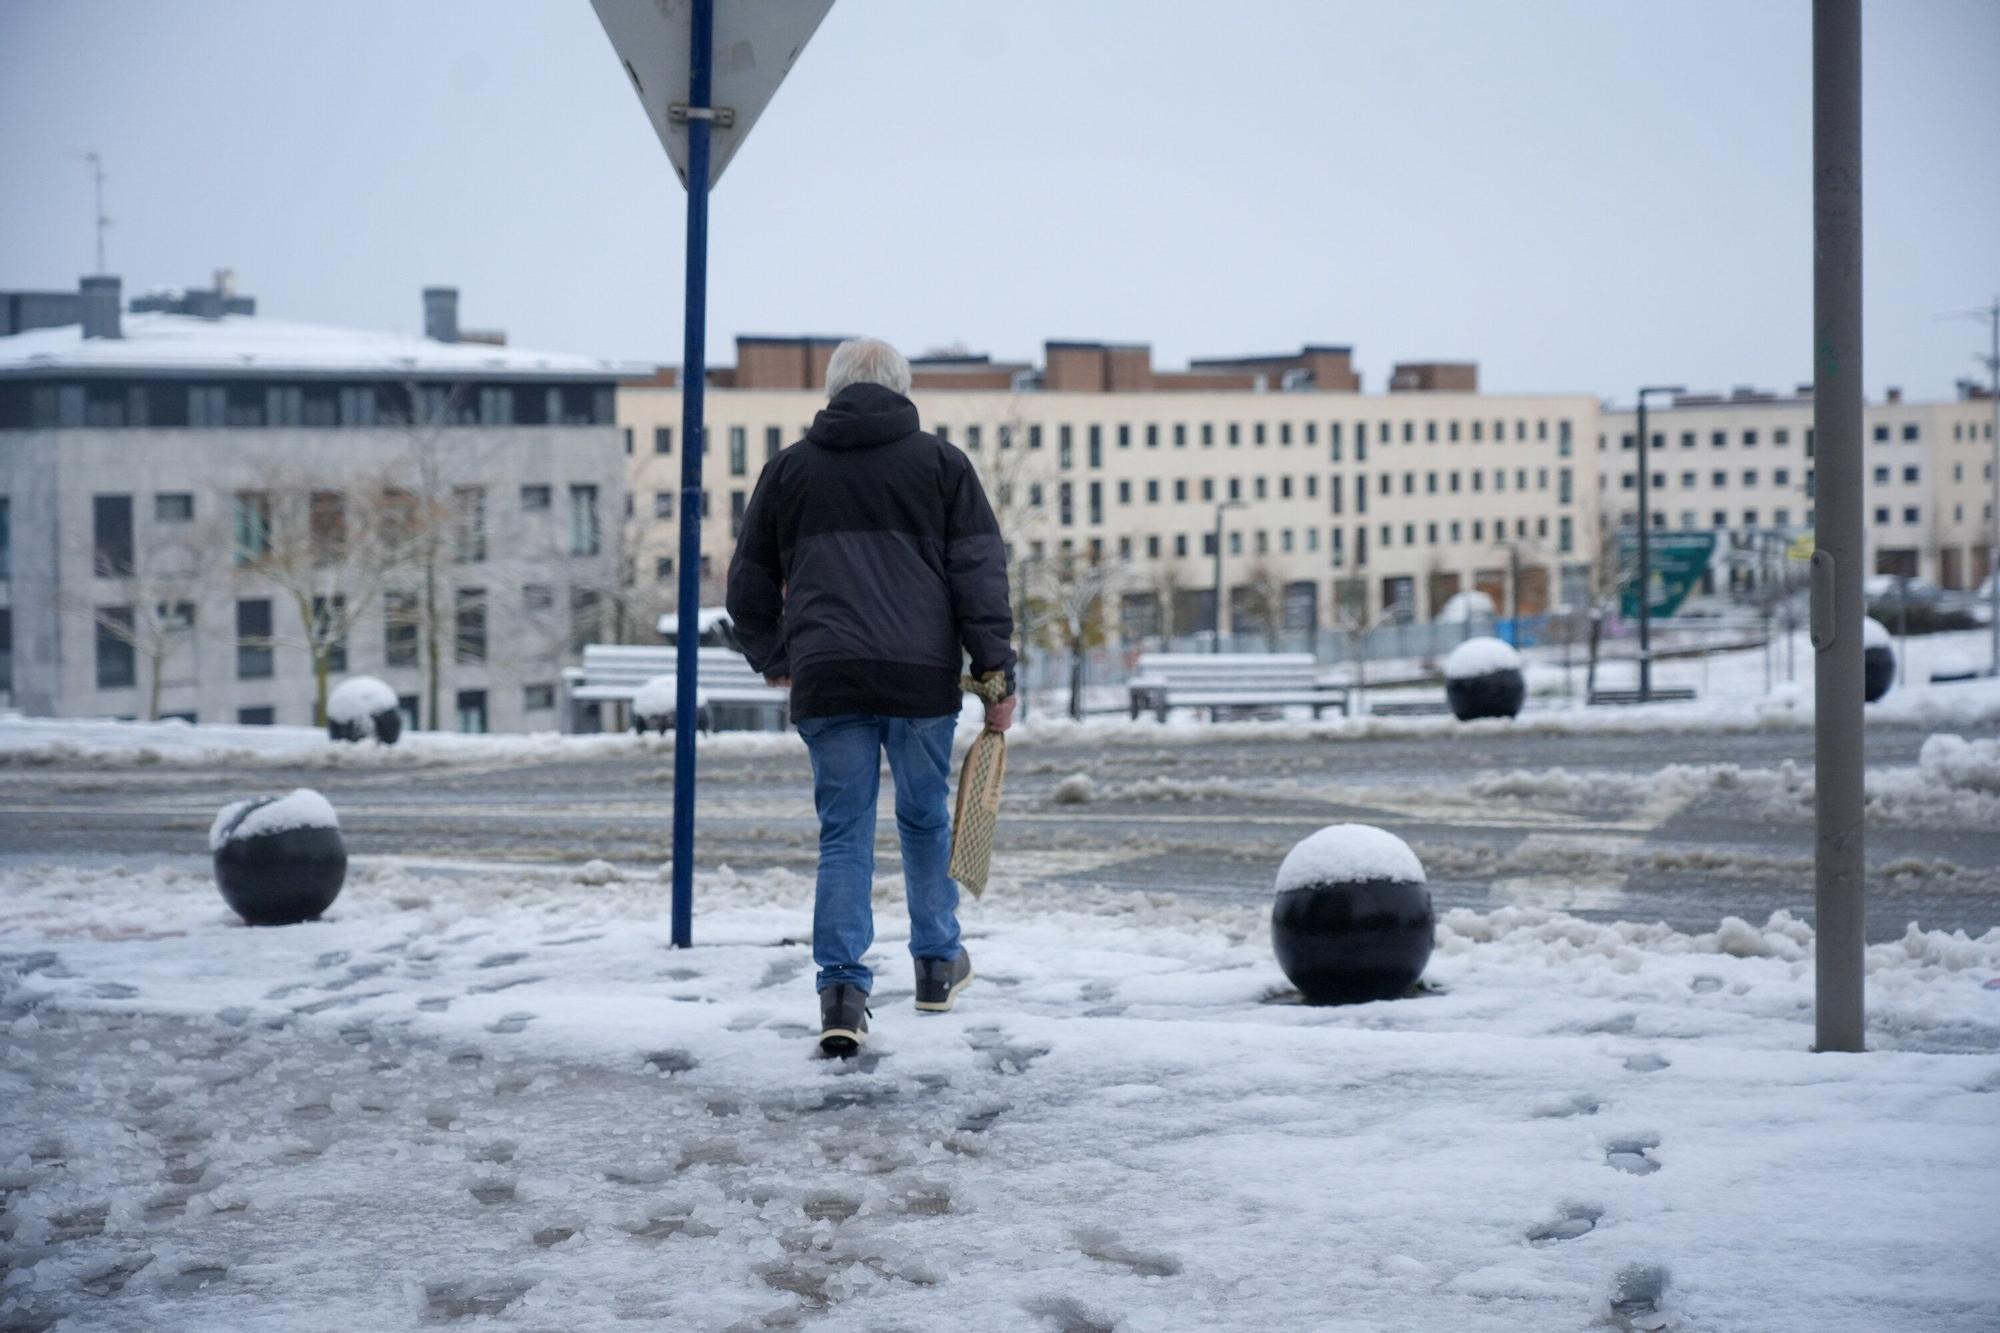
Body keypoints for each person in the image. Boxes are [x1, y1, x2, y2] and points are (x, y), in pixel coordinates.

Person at [726, 337, 1017, 1057]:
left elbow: (747, 584)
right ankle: (937, 964)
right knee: (924, 816)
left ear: (832, 391)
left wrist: (777, 657)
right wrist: (996, 673)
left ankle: (842, 993)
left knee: (844, 832)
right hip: (920, 677)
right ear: (902, 388)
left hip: (828, 675)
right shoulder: (943, 465)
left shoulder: (789, 470)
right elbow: (980, 576)